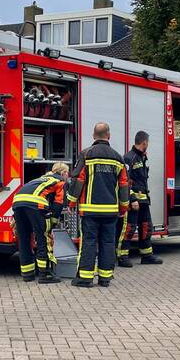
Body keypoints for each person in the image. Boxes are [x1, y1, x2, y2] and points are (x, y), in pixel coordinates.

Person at [67, 122, 129, 288]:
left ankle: (85, 278)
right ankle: (105, 278)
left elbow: (78, 180)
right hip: (111, 212)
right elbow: (124, 185)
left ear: (94, 136)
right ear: (108, 136)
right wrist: (123, 208)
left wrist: (71, 202)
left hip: (90, 210)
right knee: (108, 243)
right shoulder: (118, 158)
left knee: (88, 242)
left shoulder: (87, 154)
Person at [11, 162, 69, 284]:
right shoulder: (60, 181)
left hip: (17, 203)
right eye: (67, 174)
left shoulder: (42, 178)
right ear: (64, 173)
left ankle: (27, 274)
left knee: (24, 238)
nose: (67, 176)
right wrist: (53, 221)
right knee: (43, 237)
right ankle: (44, 274)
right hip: (34, 204)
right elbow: (59, 203)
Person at [117, 130, 162, 267]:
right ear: (144, 142)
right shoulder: (128, 158)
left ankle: (146, 255)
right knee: (129, 228)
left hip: (143, 200)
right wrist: (132, 199)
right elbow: (124, 182)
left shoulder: (142, 157)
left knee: (146, 227)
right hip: (133, 201)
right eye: (147, 142)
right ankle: (122, 256)